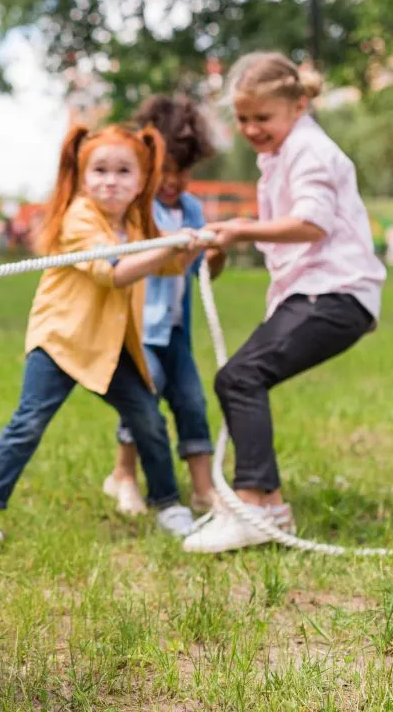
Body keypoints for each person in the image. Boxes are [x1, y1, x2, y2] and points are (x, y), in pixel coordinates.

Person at [0, 122, 208, 549]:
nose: (111, 181)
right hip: (61, 341)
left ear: (143, 178)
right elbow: (116, 274)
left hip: (110, 344)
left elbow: (168, 265)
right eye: (100, 171)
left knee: (147, 415)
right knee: (30, 421)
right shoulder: (80, 216)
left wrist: (195, 244)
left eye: (124, 172)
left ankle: (168, 503)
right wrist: (168, 247)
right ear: (82, 175)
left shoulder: (136, 221)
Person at [184, 52, 386, 554]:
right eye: (244, 118)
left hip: (335, 296)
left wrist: (238, 228)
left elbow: (311, 223)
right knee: (241, 376)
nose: (252, 129)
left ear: (298, 105)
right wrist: (224, 247)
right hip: (320, 294)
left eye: (263, 118)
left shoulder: (309, 151)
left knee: (241, 376)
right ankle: (268, 504)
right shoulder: (281, 153)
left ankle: (255, 503)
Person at [106, 94, 225, 517]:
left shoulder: (191, 208)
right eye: (166, 171)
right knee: (143, 401)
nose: (174, 180)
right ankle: (123, 475)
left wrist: (214, 252)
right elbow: (130, 265)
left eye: (183, 171)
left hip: (175, 331)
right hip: (141, 331)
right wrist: (176, 251)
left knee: (192, 402)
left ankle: (204, 489)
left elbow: (195, 273)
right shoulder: (137, 209)